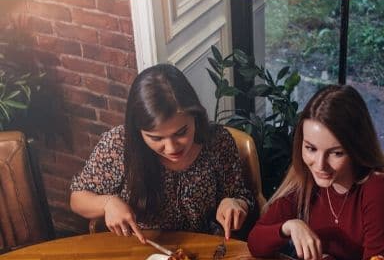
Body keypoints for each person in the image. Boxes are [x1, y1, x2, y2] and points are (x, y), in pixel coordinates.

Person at [247, 84, 384, 260]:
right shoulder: (307, 178)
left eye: (336, 153)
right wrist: (289, 226)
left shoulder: (381, 190)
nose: (320, 165)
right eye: (310, 148)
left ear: (357, 148)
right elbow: (255, 243)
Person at [70, 63, 255, 241]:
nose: (172, 148)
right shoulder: (118, 144)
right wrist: (107, 203)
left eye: (181, 132)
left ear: (195, 116)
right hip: (143, 249)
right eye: (156, 138)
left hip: (207, 249)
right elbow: (77, 198)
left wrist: (234, 203)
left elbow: (242, 195)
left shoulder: (217, 140)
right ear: (138, 131)